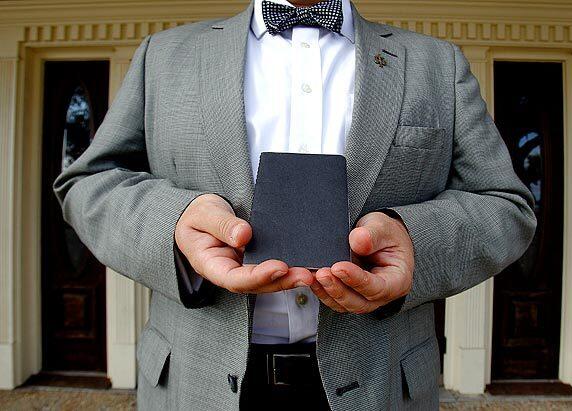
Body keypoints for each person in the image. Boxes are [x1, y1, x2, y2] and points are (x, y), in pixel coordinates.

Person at [53, 0, 537, 409]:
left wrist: (415, 240)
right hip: (195, 384)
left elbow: (506, 204)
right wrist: (175, 227)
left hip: (382, 385)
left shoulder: (438, 63)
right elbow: (89, 183)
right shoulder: (163, 56)